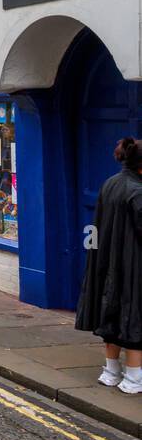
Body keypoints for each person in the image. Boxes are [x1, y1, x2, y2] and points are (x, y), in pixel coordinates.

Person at [76, 136, 142, 394]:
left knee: (111, 316)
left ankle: (111, 371)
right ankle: (134, 379)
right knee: (134, 318)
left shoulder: (110, 183)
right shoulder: (138, 192)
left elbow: (96, 227)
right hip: (133, 266)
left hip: (108, 262)